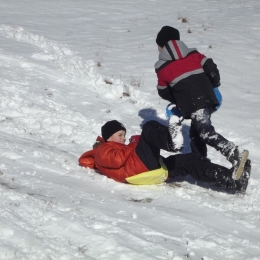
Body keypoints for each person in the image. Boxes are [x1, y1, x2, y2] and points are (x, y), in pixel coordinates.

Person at [154, 25, 249, 179]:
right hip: (207, 97)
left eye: (158, 46)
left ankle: (234, 153)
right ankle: (201, 163)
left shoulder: (162, 66)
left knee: (205, 132)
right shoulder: (194, 53)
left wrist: (177, 98)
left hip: (191, 102)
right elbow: (211, 67)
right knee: (197, 132)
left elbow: (163, 91)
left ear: (161, 46)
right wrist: (213, 84)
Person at [78, 118, 251, 193]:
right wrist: (134, 143)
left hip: (147, 168)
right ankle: (171, 141)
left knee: (191, 160)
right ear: (108, 137)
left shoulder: (113, 147)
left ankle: (233, 181)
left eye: (124, 135)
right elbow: (118, 159)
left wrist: (133, 144)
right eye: (119, 135)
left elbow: (123, 155)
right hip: (137, 169)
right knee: (149, 128)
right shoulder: (102, 150)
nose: (123, 138)